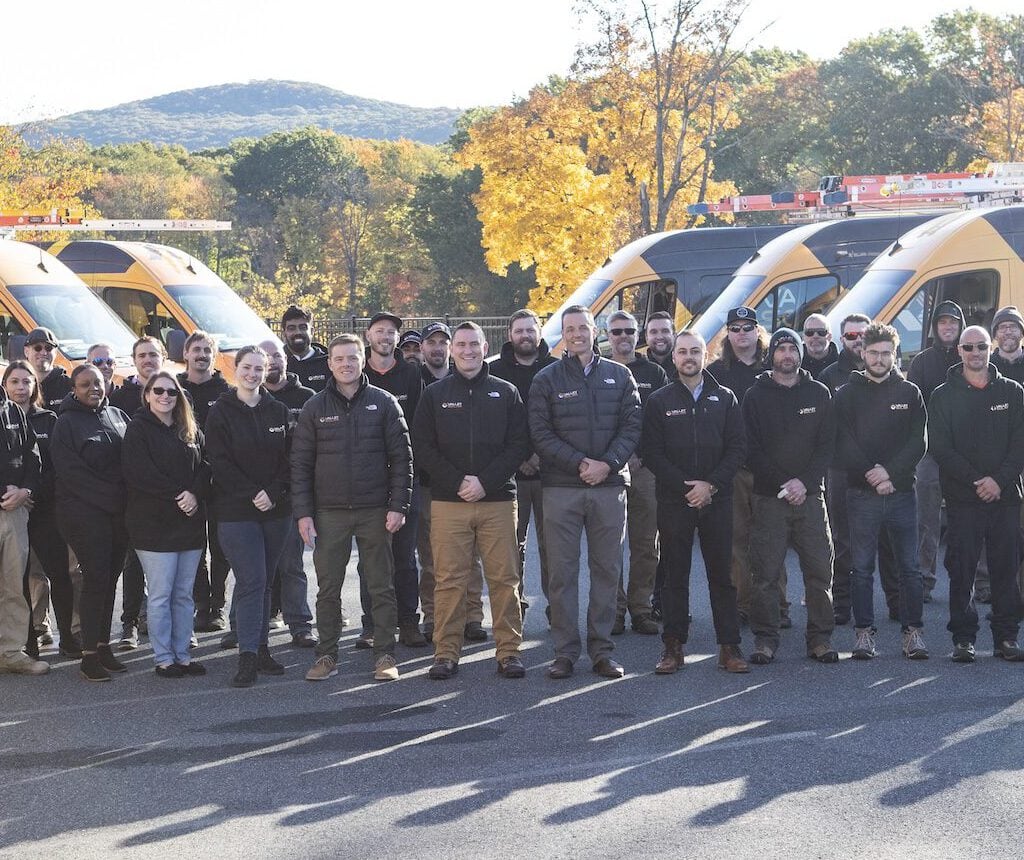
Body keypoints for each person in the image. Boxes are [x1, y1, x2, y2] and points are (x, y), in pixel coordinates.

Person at [529, 305, 642, 679]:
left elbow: (632, 427)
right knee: (561, 573)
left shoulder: (620, 375)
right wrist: (580, 463)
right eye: (569, 328)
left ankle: (602, 650)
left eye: (583, 327)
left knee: (607, 570)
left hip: (609, 488)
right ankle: (564, 652)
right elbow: (541, 433)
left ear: (596, 331)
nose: (576, 333)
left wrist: (606, 464)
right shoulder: (547, 379)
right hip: (562, 488)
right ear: (563, 333)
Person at [292, 334, 412, 683]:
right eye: (339, 358)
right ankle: (326, 655)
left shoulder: (384, 402)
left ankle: (385, 654)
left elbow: (402, 458)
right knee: (328, 588)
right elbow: (300, 464)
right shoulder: (315, 407)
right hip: (329, 513)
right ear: (329, 363)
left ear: (364, 360)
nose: (346, 364)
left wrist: (398, 505)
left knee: (380, 585)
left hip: (376, 509)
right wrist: (303, 513)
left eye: (352, 358)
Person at [414, 322, 530, 679]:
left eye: (473, 344)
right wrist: (457, 481)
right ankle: (446, 653)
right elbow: (423, 446)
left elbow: (519, 445)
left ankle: (508, 652)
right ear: (452, 351)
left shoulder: (506, 392)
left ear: (485, 347)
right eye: (460, 344)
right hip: (449, 501)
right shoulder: (434, 394)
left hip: (497, 500)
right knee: (448, 579)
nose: (467, 350)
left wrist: (485, 482)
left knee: (504, 579)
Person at [642, 331, 748, 674]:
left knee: (723, 575)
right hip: (675, 500)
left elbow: (737, 448)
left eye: (695, 351)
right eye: (682, 351)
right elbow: (651, 453)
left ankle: (729, 647)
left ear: (706, 355)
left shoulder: (726, 397)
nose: (689, 357)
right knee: (675, 575)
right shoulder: (659, 400)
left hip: (717, 499)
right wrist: (686, 487)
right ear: (674, 358)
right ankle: (673, 648)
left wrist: (711, 486)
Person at [928, 326, 1024, 663]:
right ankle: (963, 639)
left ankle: (1007, 637)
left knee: (1006, 568)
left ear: (991, 347)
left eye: (981, 346)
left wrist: (998, 481)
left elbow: (1020, 443)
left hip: (1006, 497)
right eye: (968, 347)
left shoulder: (1013, 392)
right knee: (962, 569)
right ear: (959, 351)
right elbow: (941, 448)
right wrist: (977, 481)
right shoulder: (942, 395)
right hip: (963, 499)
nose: (975, 352)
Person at [743, 329, 838, 664]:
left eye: (792, 349)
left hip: (811, 497)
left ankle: (820, 639)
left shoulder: (819, 393)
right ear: (772, 355)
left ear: (800, 355)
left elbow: (827, 446)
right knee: (765, 574)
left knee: (819, 571)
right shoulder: (755, 396)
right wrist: (786, 483)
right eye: (781, 349)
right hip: (770, 498)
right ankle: (765, 640)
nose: (787, 355)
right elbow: (750, 449)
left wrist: (804, 483)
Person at [834, 323, 928, 660]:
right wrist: (874, 476)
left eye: (886, 352)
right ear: (862, 353)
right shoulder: (846, 394)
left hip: (902, 493)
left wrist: (890, 472)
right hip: (861, 495)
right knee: (861, 568)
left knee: (910, 569)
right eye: (873, 352)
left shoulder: (909, 392)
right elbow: (842, 442)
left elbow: (918, 441)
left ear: (894, 354)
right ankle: (863, 635)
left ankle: (913, 633)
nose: (879, 358)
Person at [205, 346, 292, 688]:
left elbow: (290, 460)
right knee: (252, 579)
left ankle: (262, 648)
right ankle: (247, 656)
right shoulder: (221, 412)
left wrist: (273, 492)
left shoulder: (278, 410)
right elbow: (218, 461)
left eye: (259, 368)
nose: (253, 374)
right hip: (236, 511)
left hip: (275, 511)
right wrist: (252, 493)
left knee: (266, 580)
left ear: (266, 371)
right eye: (247, 367)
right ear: (235, 368)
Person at [122, 371, 210, 677]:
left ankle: (183, 654)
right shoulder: (138, 430)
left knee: (183, 594)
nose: (164, 396)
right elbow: (139, 474)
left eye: (171, 392)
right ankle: (163, 658)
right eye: (157, 391)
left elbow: (205, 467)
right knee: (160, 595)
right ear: (147, 395)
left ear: (179, 397)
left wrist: (195, 493)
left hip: (189, 523)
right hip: (153, 526)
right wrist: (179, 494)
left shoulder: (190, 429)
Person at [706, 308, 788, 627]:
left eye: (748, 327)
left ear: (758, 331)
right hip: (734, 470)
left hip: (771, 469)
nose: (742, 333)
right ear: (728, 333)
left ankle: (778, 605)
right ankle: (742, 603)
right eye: (735, 328)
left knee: (772, 539)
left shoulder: (775, 367)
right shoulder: (716, 372)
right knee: (737, 540)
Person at [51, 364, 130, 681]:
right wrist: (114, 498)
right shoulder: (65, 423)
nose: (93, 388)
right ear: (74, 389)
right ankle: (88, 656)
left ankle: (102, 644)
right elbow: (72, 474)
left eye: (97, 383)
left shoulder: (117, 416)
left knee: (110, 580)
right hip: (83, 514)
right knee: (95, 578)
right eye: (85, 384)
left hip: (117, 515)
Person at [414, 321, 485, 644]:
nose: (438, 348)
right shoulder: (419, 383)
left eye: (443, 342)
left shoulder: (476, 382)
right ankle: (434, 616)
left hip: (477, 486)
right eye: (433, 342)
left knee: (473, 558)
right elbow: (422, 442)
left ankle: (473, 617)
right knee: (435, 560)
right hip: (434, 485)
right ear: (423, 348)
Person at [3, 362, 78, 661]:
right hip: (12, 509)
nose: (21, 387)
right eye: (15, 382)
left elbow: (55, 466)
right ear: (5, 385)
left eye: (27, 382)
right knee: (17, 579)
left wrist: (32, 493)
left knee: (59, 574)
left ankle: (69, 639)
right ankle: (27, 642)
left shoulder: (50, 420)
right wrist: (16, 495)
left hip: (45, 509)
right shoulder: (2, 418)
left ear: (36, 387)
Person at [362, 311, 426, 648]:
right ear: (368, 336)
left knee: (404, 557)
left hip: (404, 478)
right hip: (367, 482)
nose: (386, 337)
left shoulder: (412, 375)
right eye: (380, 331)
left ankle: (408, 622)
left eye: (391, 333)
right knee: (371, 557)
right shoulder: (357, 374)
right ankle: (370, 624)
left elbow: (420, 426)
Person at [490, 309, 557, 620]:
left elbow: (563, 422)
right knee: (511, 549)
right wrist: (520, 458)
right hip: (510, 476)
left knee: (553, 548)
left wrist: (541, 455)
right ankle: (514, 609)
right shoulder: (495, 373)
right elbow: (496, 426)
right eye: (519, 331)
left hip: (551, 474)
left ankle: (557, 609)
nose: (525, 336)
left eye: (531, 330)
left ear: (539, 333)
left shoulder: (558, 370)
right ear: (509, 335)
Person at [607, 310, 667, 635]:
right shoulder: (599, 370)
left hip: (645, 469)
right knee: (611, 544)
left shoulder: (654, 372)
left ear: (637, 333)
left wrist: (640, 456)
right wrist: (618, 455)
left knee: (645, 543)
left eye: (629, 330)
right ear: (607, 335)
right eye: (616, 331)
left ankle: (641, 609)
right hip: (611, 468)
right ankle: (614, 611)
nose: (623, 336)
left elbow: (661, 422)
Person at [257, 338, 316, 649]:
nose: (273, 361)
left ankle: (300, 625)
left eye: (277, 355)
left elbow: (310, 450)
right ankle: (247, 626)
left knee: (291, 564)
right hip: (257, 497)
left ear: (286, 360)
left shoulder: (307, 398)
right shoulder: (249, 398)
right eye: (265, 357)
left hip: (293, 494)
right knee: (253, 568)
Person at [110, 336, 166, 649]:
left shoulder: (177, 393)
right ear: (134, 360)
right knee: (133, 563)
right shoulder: (122, 398)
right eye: (142, 355)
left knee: (175, 566)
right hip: (134, 496)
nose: (148, 360)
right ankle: (129, 624)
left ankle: (174, 626)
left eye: (153, 354)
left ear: (163, 357)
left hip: (173, 499)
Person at [908, 301, 964, 602]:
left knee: (966, 519)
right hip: (929, 454)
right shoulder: (921, 362)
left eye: (953, 322)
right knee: (926, 520)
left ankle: (975, 582)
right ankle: (924, 581)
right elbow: (912, 411)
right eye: (943, 322)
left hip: (965, 454)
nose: (948, 327)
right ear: (934, 326)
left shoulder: (969, 356)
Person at [177, 330, 231, 634]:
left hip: (221, 481)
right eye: (196, 349)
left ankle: (218, 605)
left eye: (207, 350)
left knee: (221, 547)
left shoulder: (226, 391)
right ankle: (201, 603)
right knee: (195, 546)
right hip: (188, 483)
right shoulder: (174, 388)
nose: (201, 355)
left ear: (214, 355)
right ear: (186, 354)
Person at [819, 313, 870, 626]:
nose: (858, 340)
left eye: (863, 335)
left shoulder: (882, 370)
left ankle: (894, 602)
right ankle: (841, 603)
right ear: (842, 339)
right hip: (839, 468)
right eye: (851, 336)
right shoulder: (828, 376)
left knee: (885, 540)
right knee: (842, 540)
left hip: (877, 468)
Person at [0, 366, 44, 677]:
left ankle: (10, 652)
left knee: (13, 586)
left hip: (15, 512)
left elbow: (33, 455)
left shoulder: (14, 411)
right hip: (7, 499)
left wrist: (26, 490)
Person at [282, 304, 330, 393]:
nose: (298, 332)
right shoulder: (278, 364)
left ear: (312, 331)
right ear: (284, 333)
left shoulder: (328, 363)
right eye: (291, 328)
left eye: (303, 327)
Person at [24, 327, 72, 412]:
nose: (43, 353)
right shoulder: (18, 383)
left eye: (48, 348)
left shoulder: (68, 385)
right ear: (26, 351)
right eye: (37, 348)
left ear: (56, 353)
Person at [801, 314, 838, 379]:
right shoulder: (795, 364)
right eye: (809, 332)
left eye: (821, 332)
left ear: (829, 336)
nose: (815, 336)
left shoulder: (843, 364)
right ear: (803, 337)